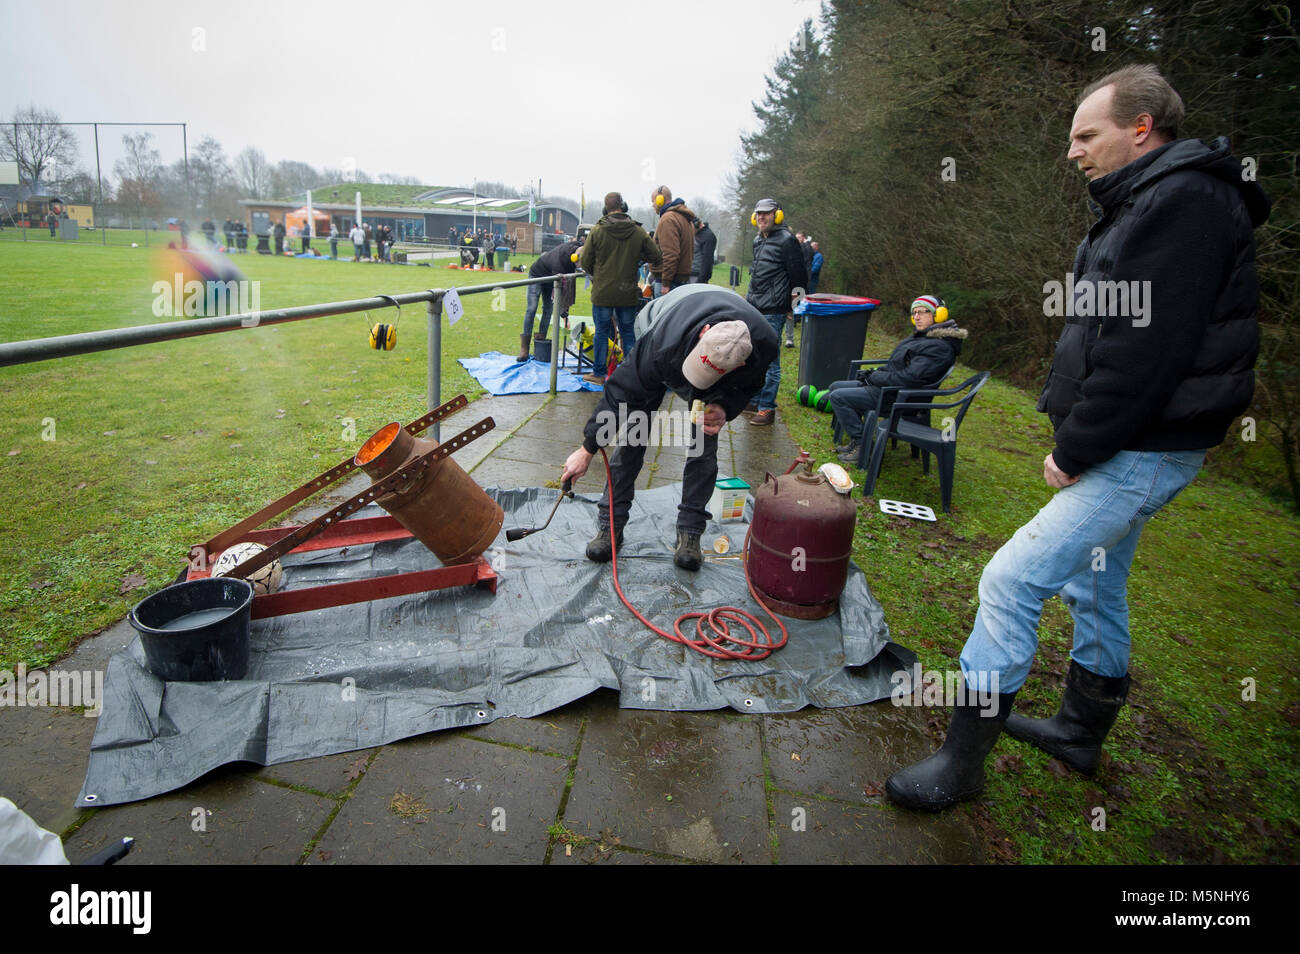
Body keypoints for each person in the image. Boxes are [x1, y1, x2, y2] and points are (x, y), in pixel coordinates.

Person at [885, 64, 1270, 812]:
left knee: (1011, 579)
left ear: (1140, 127)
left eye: (1085, 135)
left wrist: (1077, 445)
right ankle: (1078, 731)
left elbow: (1145, 352)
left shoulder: (1183, 202)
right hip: (1136, 438)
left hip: (1143, 445)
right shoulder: (1148, 197)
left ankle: (962, 765)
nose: (1072, 152)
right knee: (1095, 583)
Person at [560, 284, 779, 570]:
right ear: (705, 331)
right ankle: (610, 523)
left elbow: (751, 385)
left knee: (704, 442)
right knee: (634, 434)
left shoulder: (762, 347)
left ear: (740, 365)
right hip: (663, 328)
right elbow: (619, 394)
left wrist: (725, 407)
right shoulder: (660, 344)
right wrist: (587, 448)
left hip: (721, 360)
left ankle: (690, 531)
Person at [827, 295, 965, 462]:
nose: (917, 317)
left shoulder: (939, 347)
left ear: (939, 315)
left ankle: (863, 445)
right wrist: (874, 373)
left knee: (839, 397)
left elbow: (909, 378)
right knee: (836, 386)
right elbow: (898, 365)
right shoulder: (924, 337)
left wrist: (876, 377)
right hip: (891, 390)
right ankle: (859, 438)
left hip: (901, 399)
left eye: (923, 312)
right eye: (914, 313)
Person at [578, 192, 662, 385]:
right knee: (627, 333)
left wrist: (598, 276)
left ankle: (598, 374)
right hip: (627, 293)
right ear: (623, 206)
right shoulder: (638, 232)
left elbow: (585, 261)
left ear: (605, 209)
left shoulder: (597, 231)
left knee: (601, 332)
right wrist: (636, 259)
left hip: (603, 293)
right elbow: (656, 256)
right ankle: (630, 374)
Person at [746, 198, 807, 425]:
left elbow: (799, 276)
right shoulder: (757, 240)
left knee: (771, 360)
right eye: (758, 213)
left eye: (767, 213)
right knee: (754, 357)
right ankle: (755, 399)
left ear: (776, 215)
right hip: (754, 306)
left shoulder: (787, 240)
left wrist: (793, 308)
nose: (762, 217)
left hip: (774, 310)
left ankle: (767, 408)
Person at [518, 237, 581, 361]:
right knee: (532, 308)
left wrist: (565, 312)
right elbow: (560, 291)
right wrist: (563, 312)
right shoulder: (560, 261)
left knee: (548, 310)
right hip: (537, 276)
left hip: (550, 279)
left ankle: (540, 341)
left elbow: (567, 287)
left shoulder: (575, 251)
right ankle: (524, 349)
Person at [648, 186, 694, 296]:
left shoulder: (668, 219)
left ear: (660, 199)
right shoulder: (683, 218)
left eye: (653, 201)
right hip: (679, 280)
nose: (652, 205)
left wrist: (666, 283)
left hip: (669, 282)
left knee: (663, 313)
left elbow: (670, 254)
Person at [691, 219, 717, 284]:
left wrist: (700, 280)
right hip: (691, 275)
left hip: (696, 276)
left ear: (696, 225)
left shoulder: (708, 236)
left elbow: (707, 261)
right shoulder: (699, 234)